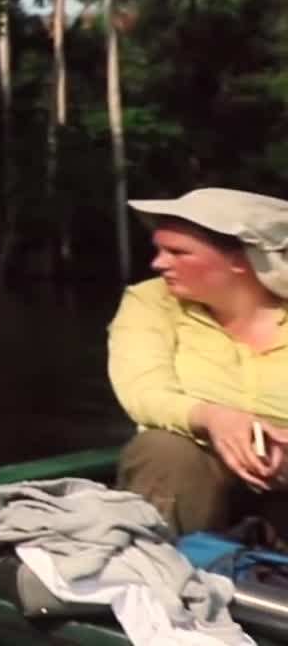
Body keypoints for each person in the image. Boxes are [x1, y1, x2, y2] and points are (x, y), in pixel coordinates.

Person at [108, 187, 288, 539]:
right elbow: (143, 392)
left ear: (241, 260)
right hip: (198, 469)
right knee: (162, 449)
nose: (159, 263)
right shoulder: (150, 302)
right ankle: (158, 577)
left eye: (178, 252)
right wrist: (213, 417)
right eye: (159, 250)